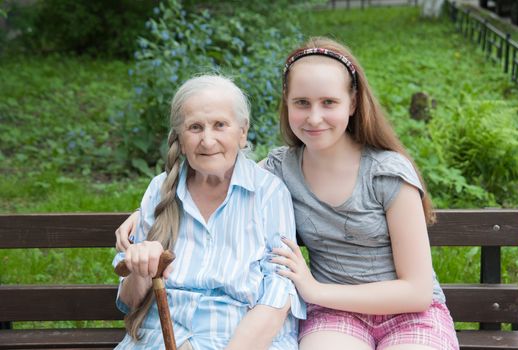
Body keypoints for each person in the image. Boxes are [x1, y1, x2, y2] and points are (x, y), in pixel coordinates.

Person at [116, 37, 459, 350]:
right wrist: (148, 214)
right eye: (301, 102)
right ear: (287, 103)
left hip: (406, 313)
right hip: (337, 316)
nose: (314, 117)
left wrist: (314, 290)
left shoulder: (387, 173)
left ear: (353, 103)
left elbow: (416, 292)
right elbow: (220, 175)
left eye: (329, 102)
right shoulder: (282, 168)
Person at [113, 74, 305, 350]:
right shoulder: (160, 191)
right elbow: (130, 302)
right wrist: (141, 269)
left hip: (244, 341)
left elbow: (279, 292)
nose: (207, 140)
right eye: (195, 127)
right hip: (160, 340)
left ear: (242, 132)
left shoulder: (268, 193)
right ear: (179, 135)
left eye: (220, 125)